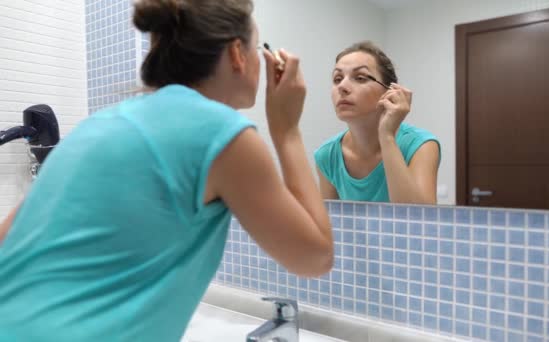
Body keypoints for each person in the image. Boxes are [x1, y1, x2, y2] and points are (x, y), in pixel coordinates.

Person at [0, 0, 333, 340]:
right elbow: (314, 258)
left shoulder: (95, 127)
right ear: (237, 54)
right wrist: (287, 129)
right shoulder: (222, 134)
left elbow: (7, 238)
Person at [314, 41, 441, 204]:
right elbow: (331, 224)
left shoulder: (420, 145)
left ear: (389, 92)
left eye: (360, 78)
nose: (342, 87)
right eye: (337, 79)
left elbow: (419, 222)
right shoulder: (327, 155)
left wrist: (386, 136)